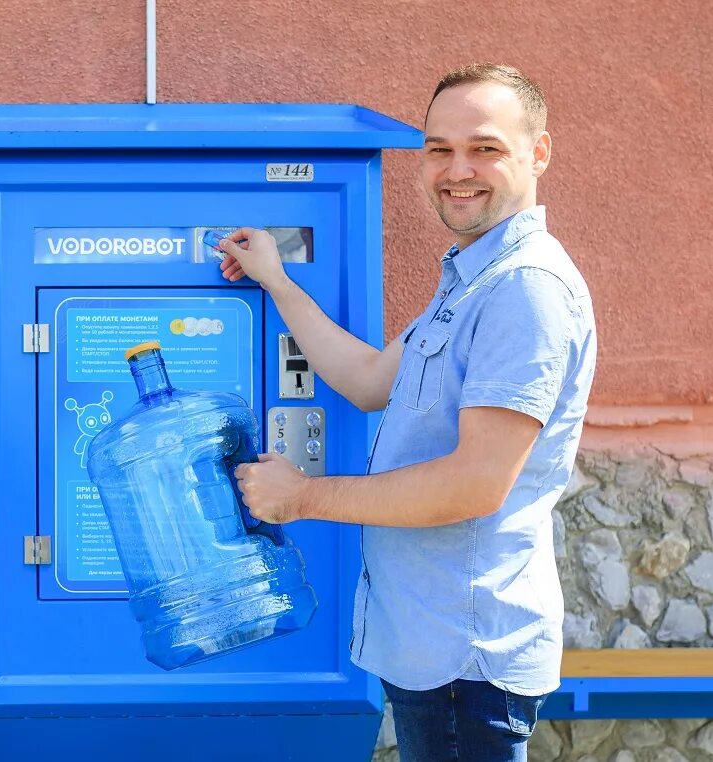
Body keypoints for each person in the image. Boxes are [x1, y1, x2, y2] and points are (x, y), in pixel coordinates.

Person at [219, 63, 596, 762]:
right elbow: (365, 380)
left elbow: (474, 484)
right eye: (439, 149)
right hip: (434, 650)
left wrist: (302, 497)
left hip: (465, 662)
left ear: (538, 152)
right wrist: (276, 279)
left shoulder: (524, 292)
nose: (458, 170)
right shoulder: (472, 279)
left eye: (485, 147)